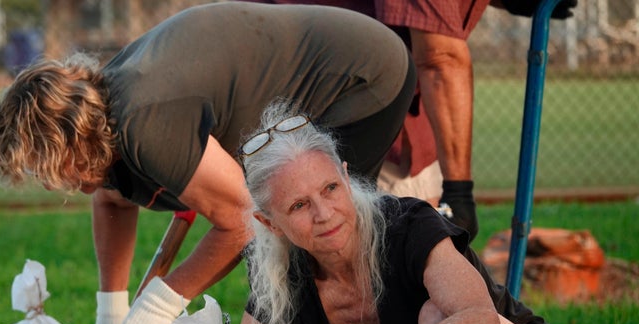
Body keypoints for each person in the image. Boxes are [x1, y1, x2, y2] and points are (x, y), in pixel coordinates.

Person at [0, 2, 417, 324]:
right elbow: (112, 201)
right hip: (309, 75)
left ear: (68, 142)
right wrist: (110, 315)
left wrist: (164, 300)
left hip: (359, 78)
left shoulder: (146, 123)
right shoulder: (103, 116)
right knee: (293, 243)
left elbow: (243, 218)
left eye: (49, 171)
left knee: (320, 237)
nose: (55, 186)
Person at [200, 103, 591, 324]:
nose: (324, 213)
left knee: (436, 316)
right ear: (270, 224)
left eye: (331, 188)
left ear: (347, 176)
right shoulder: (280, 280)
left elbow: (480, 320)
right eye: (300, 205)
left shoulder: (408, 225)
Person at [244, 0, 578, 242]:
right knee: (399, 264)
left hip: (277, 88)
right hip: (345, 105)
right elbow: (439, 57)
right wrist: (459, 192)